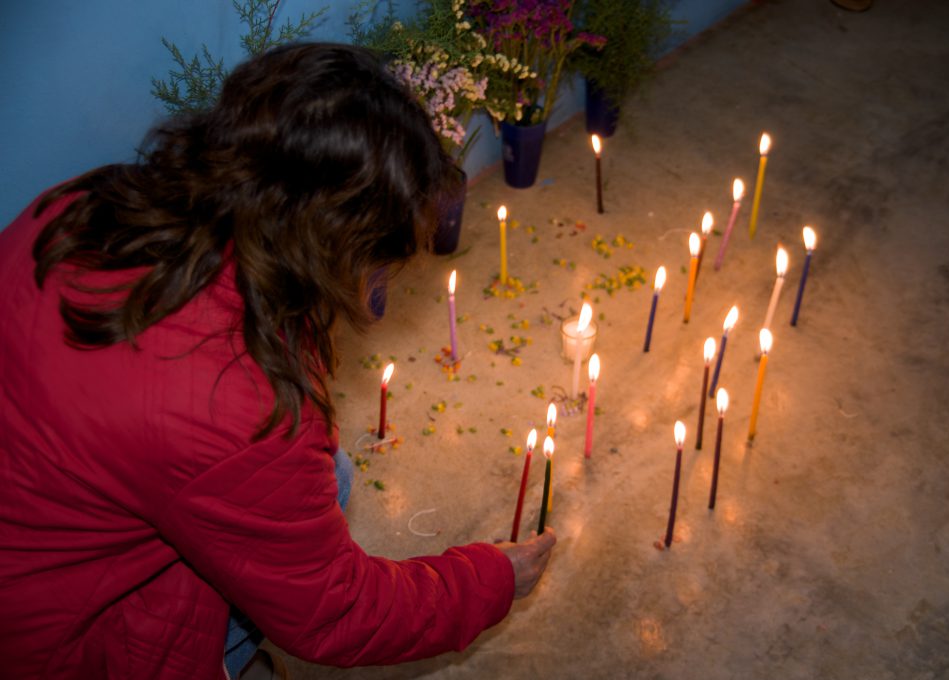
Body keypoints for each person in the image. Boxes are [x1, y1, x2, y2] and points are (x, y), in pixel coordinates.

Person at [0, 43, 556, 679]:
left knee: (332, 476)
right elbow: (336, 612)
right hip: (49, 642)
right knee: (313, 495)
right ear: (333, 247)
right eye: (379, 258)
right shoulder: (240, 408)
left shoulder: (81, 206)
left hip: (35, 535)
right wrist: (485, 583)